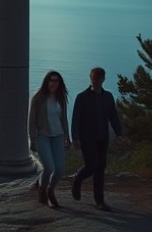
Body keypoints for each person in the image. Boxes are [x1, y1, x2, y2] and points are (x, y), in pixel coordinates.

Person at [71, 66, 123, 212]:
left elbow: (113, 116)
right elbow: (75, 119)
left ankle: (99, 201)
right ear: (90, 78)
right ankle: (78, 179)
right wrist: (75, 138)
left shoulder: (108, 97)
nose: (96, 81)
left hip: (102, 137)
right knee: (91, 165)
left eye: (98, 79)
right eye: (94, 78)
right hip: (87, 138)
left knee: (101, 167)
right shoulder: (82, 97)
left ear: (103, 79)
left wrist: (119, 134)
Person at [28, 70, 71, 208]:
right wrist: (32, 139)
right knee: (49, 167)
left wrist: (67, 136)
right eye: (51, 80)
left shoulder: (61, 98)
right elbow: (32, 120)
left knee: (60, 169)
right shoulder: (38, 98)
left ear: (59, 83)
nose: (53, 83)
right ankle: (42, 190)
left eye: (56, 81)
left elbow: (63, 119)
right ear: (47, 82)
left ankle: (50, 190)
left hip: (58, 136)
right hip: (43, 136)